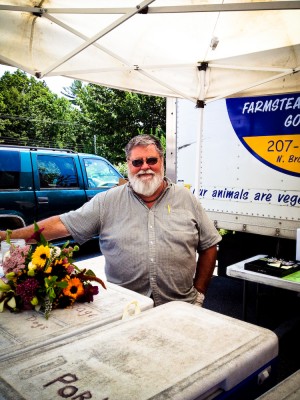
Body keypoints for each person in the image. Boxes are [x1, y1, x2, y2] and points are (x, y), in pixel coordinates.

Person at [0, 135, 221, 307]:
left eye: (151, 160)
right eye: (137, 161)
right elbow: (62, 224)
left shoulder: (185, 198)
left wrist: (199, 294)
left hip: (181, 308)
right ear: (128, 164)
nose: (145, 166)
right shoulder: (107, 201)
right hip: (126, 310)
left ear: (161, 161)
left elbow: (209, 244)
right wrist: (8, 236)